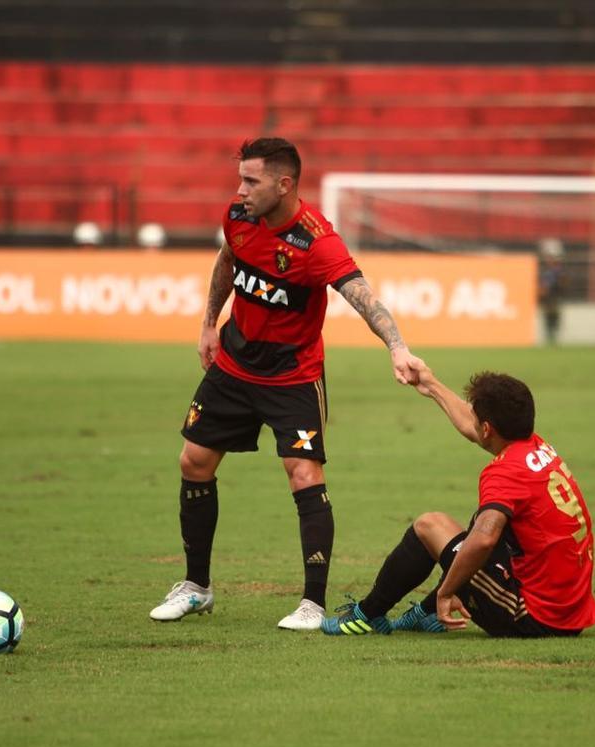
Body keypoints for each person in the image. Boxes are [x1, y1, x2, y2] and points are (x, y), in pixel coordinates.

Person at [149, 138, 426, 629]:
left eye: (251, 181)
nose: (241, 189)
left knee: (303, 472)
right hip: (234, 364)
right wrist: (209, 323)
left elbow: (363, 296)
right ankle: (196, 587)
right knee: (193, 461)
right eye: (240, 178)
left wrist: (397, 347)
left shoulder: (317, 242)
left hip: (292, 375)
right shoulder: (238, 216)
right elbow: (227, 261)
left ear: (284, 184)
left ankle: (312, 603)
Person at [319, 368, 595, 638]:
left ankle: (367, 615)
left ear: (487, 428)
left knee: (432, 527)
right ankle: (426, 614)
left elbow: (484, 541)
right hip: (568, 607)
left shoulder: (504, 472)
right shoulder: (537, 447)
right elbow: (471, 425)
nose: (472, 422)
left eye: (476, 417)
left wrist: (446, 592)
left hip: (536, 617)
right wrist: (430, 384)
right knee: (474, 523)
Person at [537, 237, 565, 344]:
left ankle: (552, 337)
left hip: (553, 298)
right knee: (550, 317)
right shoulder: (550, 272)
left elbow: (546, 286)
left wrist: (543, 290)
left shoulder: (555, 272)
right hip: (550, 299)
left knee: (552, 317)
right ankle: (551, 337)